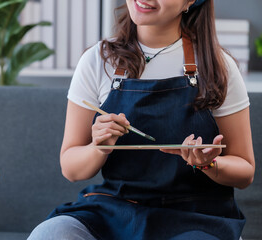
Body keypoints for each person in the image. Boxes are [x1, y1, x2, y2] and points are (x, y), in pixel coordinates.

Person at [28, 0, 255, 239]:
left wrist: (208, 164)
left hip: (197, 217)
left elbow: (245, 171)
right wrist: (99, 148)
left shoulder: (218, 66)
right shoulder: (97, 60)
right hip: (114, 211)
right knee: (51, 233)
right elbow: (71, 168)